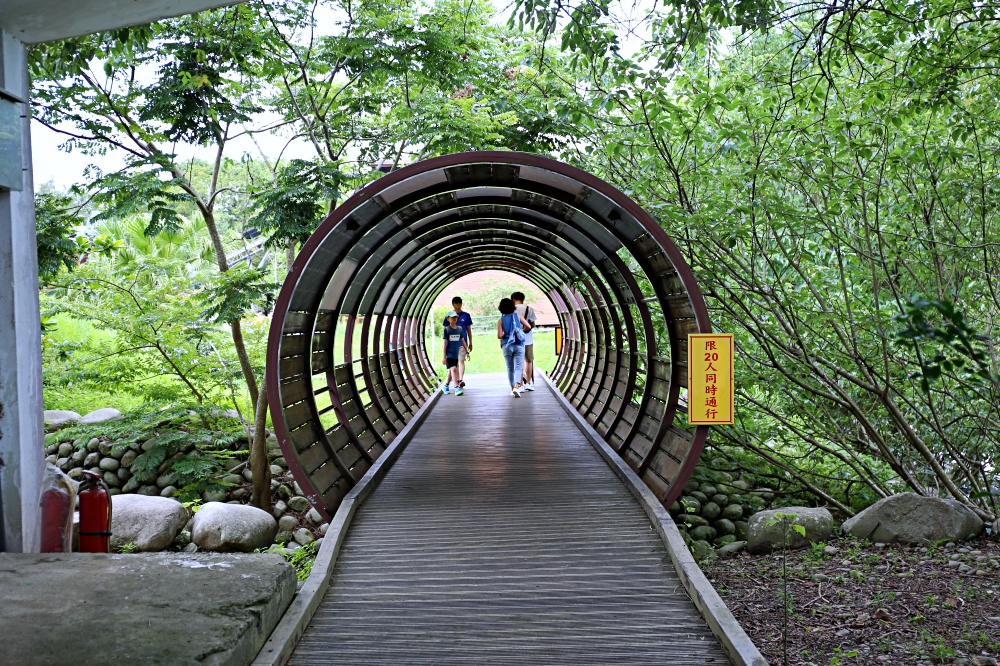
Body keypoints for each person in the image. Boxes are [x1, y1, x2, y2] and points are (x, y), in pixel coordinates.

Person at [497, 297, 528, 398]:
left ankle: (512, 388)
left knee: (510, 368)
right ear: (512, 306)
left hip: (507, 345)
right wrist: (520, 330)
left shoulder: (501, 320)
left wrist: (504, 333)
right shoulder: (517, 315)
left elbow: (499, 336)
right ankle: (516, 386)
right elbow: (528, 326)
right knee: (518, 367)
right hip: (519, 344)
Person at [441, 296, 473, 387]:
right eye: (456, 302)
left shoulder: (466, 316)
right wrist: (444, 346)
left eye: (460, 302)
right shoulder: (449, 316)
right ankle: (448, 383)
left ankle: (460, 380)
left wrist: (470, 343)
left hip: (462, 343)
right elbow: (445, 331)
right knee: (454, 365)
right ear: (453, 304)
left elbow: (469, 330)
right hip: (451, 345)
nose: (458, 304)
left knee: (461, 361)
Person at [511, 291, 537, 391]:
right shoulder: (529, 309)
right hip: (528, 339)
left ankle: (520, 385)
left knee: (518, 362)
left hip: (515, 339)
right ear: (523, 299)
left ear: (513, 300)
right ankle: (529, 383)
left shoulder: (511, 310)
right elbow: (532, 324)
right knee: (529, 361)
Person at [442, 311, 469, 395]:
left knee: (451, 370)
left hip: (455, 353)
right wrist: (444, 356)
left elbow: (463, 340)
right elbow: (444, 343)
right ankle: (457, 387)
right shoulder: (447, 330)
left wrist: (467, 351)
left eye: (456, 317)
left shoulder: (459, 329)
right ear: (448, 319)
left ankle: (446, 385)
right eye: (452, 317)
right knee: (454, 369)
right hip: (449, 353)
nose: (454, 319)